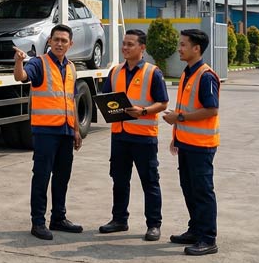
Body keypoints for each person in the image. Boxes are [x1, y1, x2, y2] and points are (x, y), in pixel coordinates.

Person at [98, 29, 169, 241]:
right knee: (119, 180)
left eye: (130, 44)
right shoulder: (115, 71)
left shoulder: (153, 72)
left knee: (150, 182)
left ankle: (154, 224)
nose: (125, 48)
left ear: (142, 48)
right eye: (124, 43)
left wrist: (143, 111)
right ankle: (119, 219)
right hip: (119, 135)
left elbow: (163, 103)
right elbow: (106, 96)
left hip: (143, 136)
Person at [14, 24, 82, 240]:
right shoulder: (39, 63)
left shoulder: (71, 67)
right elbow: (21, 76)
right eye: (56, 40)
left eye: (64, 40)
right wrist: (18, 62)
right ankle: (38, 222)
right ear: (50, 41)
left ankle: (58, 218)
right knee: (42, 176)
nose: (59, 44)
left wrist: (76, 130)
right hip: (45, 132)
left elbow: (71, 100)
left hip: (66, 131)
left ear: (70, 44)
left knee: (62, 177)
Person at [162, 28, 221, 256]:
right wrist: (176, 136)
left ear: (196, 48)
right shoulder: (188, 73)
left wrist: (179, 118)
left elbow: (211, 109)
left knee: (202, 191)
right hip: (186, 143)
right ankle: (196, 230)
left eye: (183, 44)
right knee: (189, 189)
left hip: (201, 145)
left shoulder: (206, 76)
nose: (179, 48)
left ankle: (208, 238)